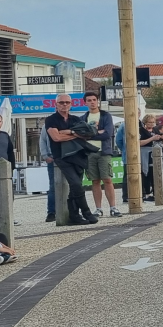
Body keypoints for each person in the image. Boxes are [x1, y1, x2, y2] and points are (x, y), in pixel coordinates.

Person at [44, 92, 96, 226]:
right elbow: (56, 138)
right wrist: (75, 133)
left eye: (67, 102)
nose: (64, 105)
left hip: (78, 154)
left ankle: (74, 215)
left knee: (76, 187)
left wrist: (68, 132)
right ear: (56, 104)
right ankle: (86, 211)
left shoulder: (75, 119)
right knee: (76, 184)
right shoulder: (51, 119)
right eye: (61, 102)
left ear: (71, 104)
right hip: (61, 156)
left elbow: (88, 134)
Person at [80, 94, 120, 217]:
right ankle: (98, 208)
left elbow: (107, 134)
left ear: (98, 101)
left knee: (107, 179)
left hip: (104, 152)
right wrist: (97, 132)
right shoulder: (83, 118)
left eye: (94, 100)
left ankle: (113, 207)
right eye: (89, 100)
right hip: (89, 152)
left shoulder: (105, 116)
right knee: (94, 181)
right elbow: (81, 135)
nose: (92, 102)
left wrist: (90, 134)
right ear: (85, 103)